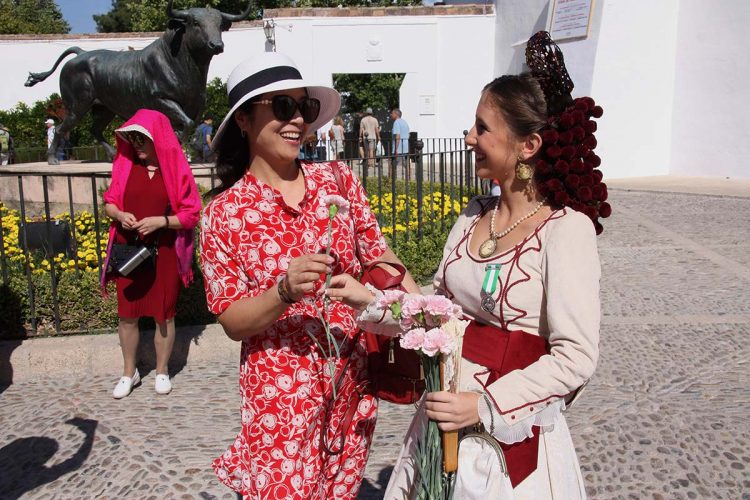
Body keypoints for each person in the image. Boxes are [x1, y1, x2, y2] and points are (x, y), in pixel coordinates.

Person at [327, 32, 608, 499]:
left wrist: (483, 404)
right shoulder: (474, 213)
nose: (469, 137)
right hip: (442, 420)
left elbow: (576, 356)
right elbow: (440, 313)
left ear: (528, 145)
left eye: (482, 128)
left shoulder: (565, 230)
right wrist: (372, 301)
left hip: (509, 434)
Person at [199, 52, 419, 499]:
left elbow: (383, 257)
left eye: (306, 108)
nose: (298, 119)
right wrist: (283, 290)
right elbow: (231, 321)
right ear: (244, 119)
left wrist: (426, 316)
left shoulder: (338, 180)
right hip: (280, 403)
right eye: (283, 107)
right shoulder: (223, 215)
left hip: (351, 387)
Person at [101, 109, 201, 399]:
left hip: (165, 252)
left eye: (141, 140)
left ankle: (161, 370)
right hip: (128, 249)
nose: (136, 145)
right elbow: (109, 203)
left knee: (164, 315)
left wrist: (162, 221)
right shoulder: (125, 165)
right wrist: (119, 214)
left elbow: (192, 214)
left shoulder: (177, 170)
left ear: (158, 139)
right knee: (127, 316)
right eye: (132, 139)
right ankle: (128, 372)